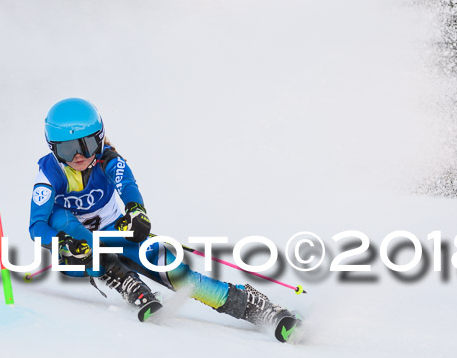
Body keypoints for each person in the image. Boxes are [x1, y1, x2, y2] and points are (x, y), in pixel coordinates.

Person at [29, 97, 300, 340]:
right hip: (81, 250)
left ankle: (258, 309)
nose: (77, 156)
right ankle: (126, 282)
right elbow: (37, 225)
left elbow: (128, 186)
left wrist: (136, 213)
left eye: (85, 145)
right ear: (53, 148)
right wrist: (62, 243)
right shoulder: (50, 174)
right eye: (66, 149)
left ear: (99, 139)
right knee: (62, 219)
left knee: (183, 279)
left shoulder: (109, 160)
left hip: (117, 233)